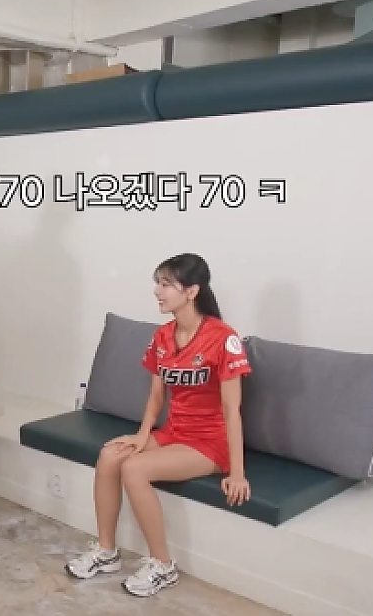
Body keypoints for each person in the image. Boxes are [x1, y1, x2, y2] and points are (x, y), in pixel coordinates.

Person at [64, 253, 253, 598]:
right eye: (158, 283)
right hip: (174, 432)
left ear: (192, 291)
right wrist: (142, 435)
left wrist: (237, 473)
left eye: (166, 284)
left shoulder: (224, 338)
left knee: (134, 469)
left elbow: (232, 409)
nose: (157, 291)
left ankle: (163, 565)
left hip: (211, 442)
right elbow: (156, 396)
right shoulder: (163, 336)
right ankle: (106, 552)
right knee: (110, 455)